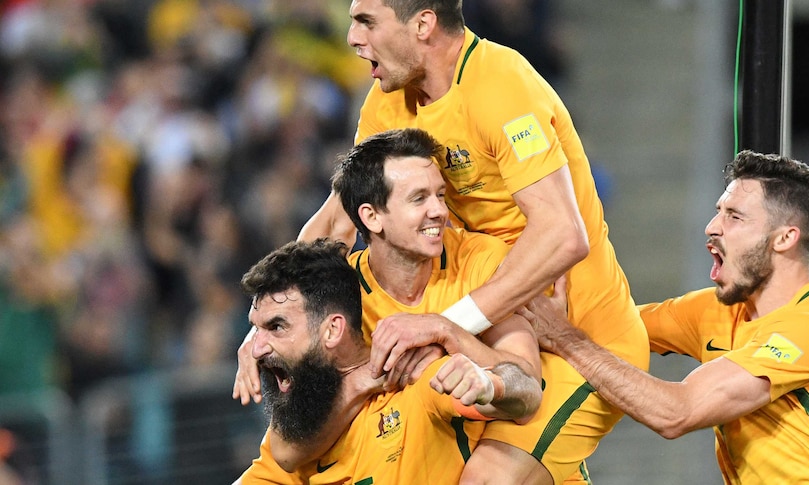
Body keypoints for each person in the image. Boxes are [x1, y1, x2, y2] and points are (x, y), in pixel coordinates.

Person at [234, 0, 650, 480]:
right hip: (490, 328)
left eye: (367, 21)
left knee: (483, 476)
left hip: (580, 340)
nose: (350, 37)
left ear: (423, 24)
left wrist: (444, 326)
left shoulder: (501, 86)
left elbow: (562, 235)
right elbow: (336, 222)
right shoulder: (387, 100)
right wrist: (271, 324)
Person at [240, 128, 603, 484]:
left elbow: (525, 384)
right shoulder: (339, 294)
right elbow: (287, 450)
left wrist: (446, 332)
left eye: (440, 195)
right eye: (419, 199)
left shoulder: (480, 262)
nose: (439, 212)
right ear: (371, 217)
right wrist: (366, 378)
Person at [520, 150, 809, 484]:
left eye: (734, 216)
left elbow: (676, 413)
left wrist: (564, 337)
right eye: (718, 212)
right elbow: (610, 328)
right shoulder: (715, 310)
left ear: (785, 238)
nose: (712, 227)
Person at [234, 238, 541, 485]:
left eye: (276, 327)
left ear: (332, 330)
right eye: (255, 329)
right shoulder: (305, 421)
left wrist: (489, 384)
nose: (255, 348)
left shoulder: (416, 377)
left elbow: (526, 391)